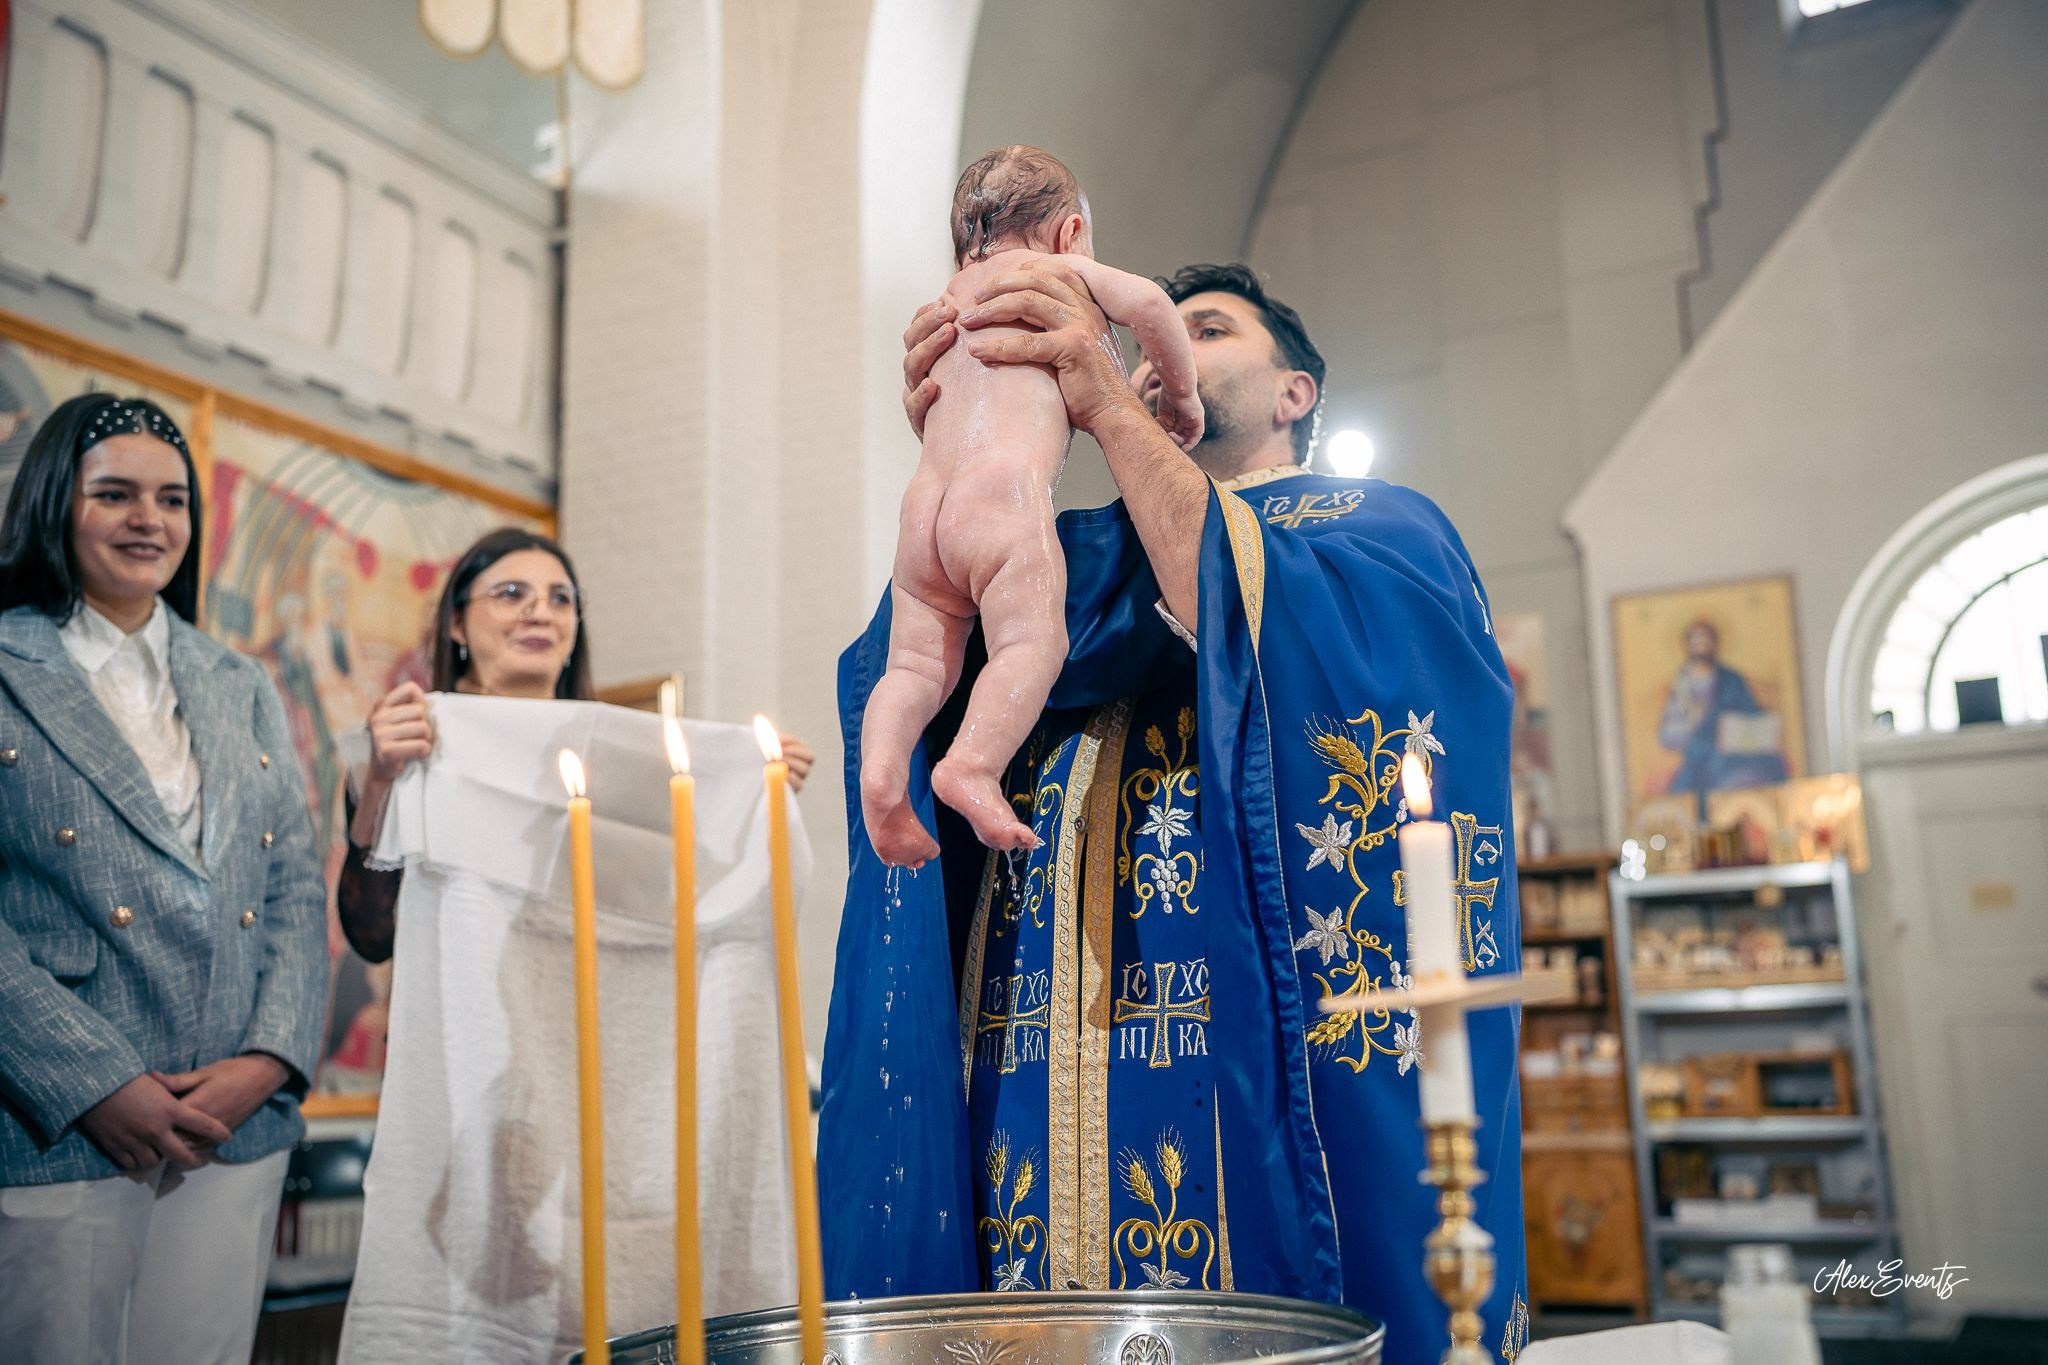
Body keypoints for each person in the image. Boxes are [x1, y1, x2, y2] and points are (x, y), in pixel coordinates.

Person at [820, 265, 1526, 1364]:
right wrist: (963, 448)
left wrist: (1103, 400)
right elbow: (910, 681)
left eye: (1210, 330)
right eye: (1156, 340)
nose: (1167, 355)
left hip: (1233, 1071)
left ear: (1294, 393)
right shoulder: (1073, 564)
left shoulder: (1377, 529)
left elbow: (1241, 606)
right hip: (1027, 1071)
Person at [0, 393, 328, 1364]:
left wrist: (267, 1061)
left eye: (173, 499)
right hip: (58, 1122)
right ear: (56, 501)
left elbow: (293, 890)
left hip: (233, 1127)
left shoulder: (239, 679)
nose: (150, 519)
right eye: (115, 494)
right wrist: (97, 1082)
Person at [862, 147, 1202, 867]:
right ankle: (972, 764)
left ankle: (883, 777)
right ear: (1070, 233)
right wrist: (1182, 394)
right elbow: (1151, 306)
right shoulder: (1058, 274)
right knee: (1030, 645)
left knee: (913, 668)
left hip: (922, 509)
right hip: (1004, 493)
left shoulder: (949, 300)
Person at [337, 527, 813, 963]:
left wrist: (749, 789)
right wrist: (380, 782)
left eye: (561, 599)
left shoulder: (621, 765)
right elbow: (373, 937)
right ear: (456, 623)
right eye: (512, 594)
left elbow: (667, 910)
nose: (541, 613)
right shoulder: (408, 741)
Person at [1657, 618, 1787, 812]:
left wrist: (1737, 729)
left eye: (1705, 640)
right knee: (1682, 796)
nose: (1701, 645)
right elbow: (1670, 734)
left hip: (1735, 751)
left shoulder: (1731, 679)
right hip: (1700, 755)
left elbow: (1751, 712)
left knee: (1772, 767)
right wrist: (1693, 726)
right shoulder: (1682, 685)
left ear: (1714, 643)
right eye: (1696, 641)